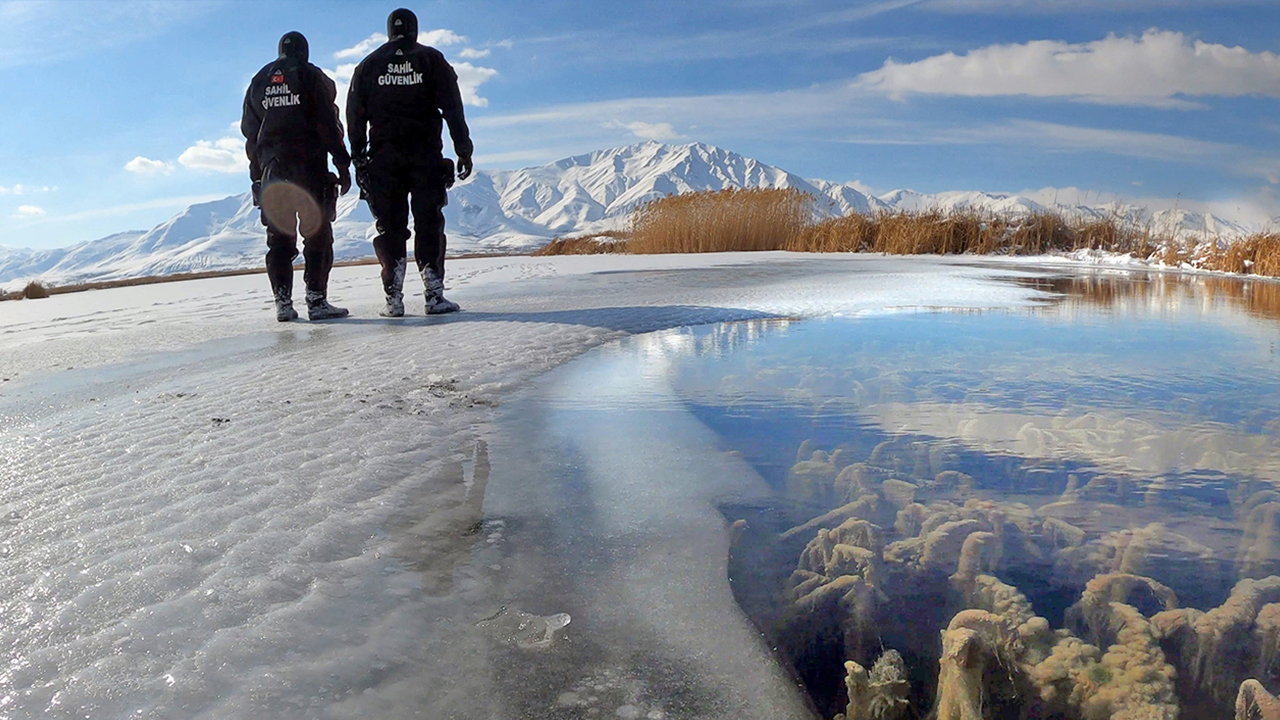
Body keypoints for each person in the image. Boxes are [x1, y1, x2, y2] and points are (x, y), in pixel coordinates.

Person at [346, 8, 474, 317]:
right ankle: (433, 294)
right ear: (415, 29)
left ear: (388, 30)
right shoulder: (432, 60)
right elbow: (453, 108)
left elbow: (353, 113)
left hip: (383, 159)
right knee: (428, 221)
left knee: (390, 227)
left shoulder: (368, 65)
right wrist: (463, 148)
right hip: (425, 155)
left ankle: (394, 298)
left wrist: (358, 155)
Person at [241, 31, 353, 322]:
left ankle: (283, 303)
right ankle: (316, 301)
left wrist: (257, 175)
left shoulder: (258, 81)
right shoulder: (312, 76)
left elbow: (250, 134)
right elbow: (329, 123)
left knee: (278, 239)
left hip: (272, 173)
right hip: (308, 169)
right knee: (317, 234)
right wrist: (342, 163)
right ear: (304, 51)